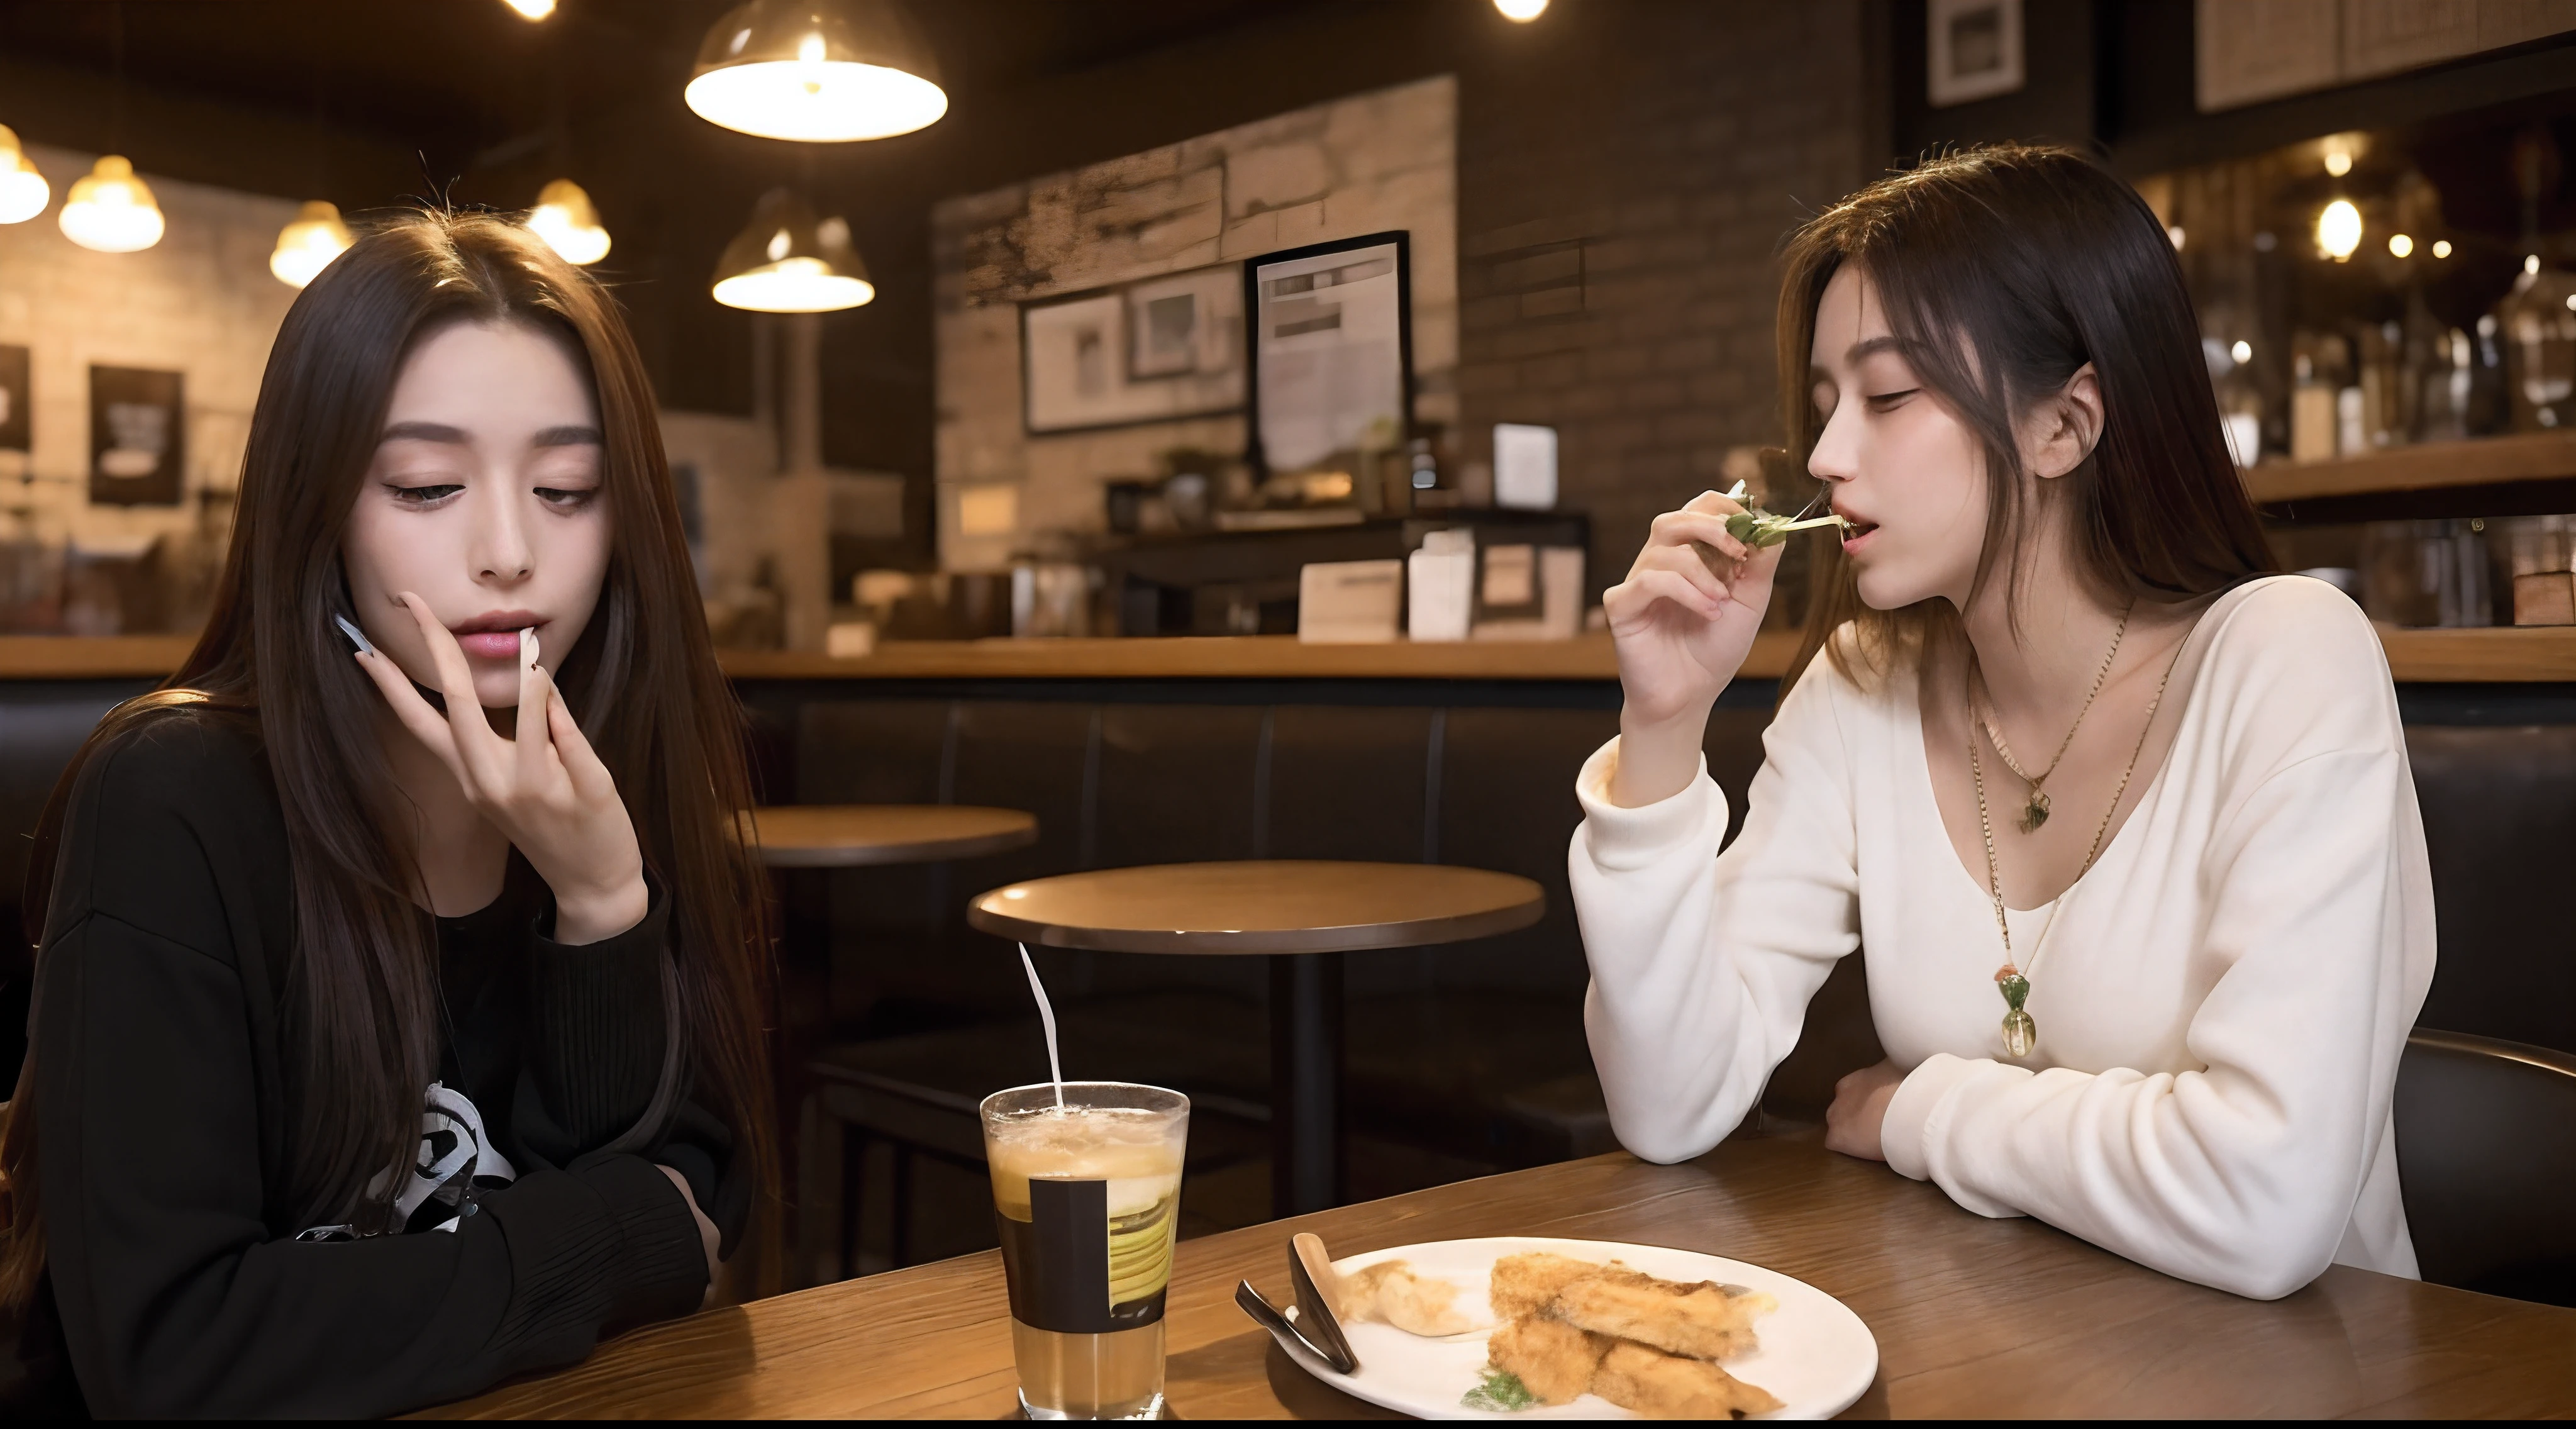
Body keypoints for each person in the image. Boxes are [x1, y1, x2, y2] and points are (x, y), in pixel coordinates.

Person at [1573, 145, 2433, 1300]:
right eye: (1828, 402)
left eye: (1886, 396)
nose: (1825, 456)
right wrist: (1664, 727)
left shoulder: (2289, 662)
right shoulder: (1861, 687)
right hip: (1997, 1348)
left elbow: (2265, 1202)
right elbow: (1670, 1105)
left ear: (2065, 426)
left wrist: (1922, 1108)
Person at [0, 210, 774, 1415]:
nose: (509, 551)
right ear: (319, 509)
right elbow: (173, 1355)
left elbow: (711, 1212)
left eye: (568, 490)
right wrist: (611, 1245)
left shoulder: (611, 779)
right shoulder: (172, 798)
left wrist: (602, 907)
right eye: (425, 485)